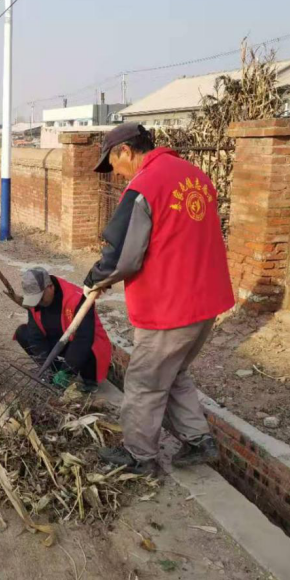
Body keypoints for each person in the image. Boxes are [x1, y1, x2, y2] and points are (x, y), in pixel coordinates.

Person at [84, 123, 235, 474]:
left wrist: (97, 277)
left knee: (144, 382)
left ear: (125, 151)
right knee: (174, 371)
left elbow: (123, 253)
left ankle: (140, 456)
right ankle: (199, 440)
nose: (118, 175)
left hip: (171, 305)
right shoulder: (193, 175)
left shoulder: (145, 185)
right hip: (206, 301)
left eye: (114, 164)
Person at [15, 267, 112, 392]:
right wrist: (46, 367)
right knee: (23, 333)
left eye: (40, 297)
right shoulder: (35, 303)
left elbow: (83, 339)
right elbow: (36, 337)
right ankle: (53, 372)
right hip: (58, 344)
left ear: (50, 287)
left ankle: (88, 381)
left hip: (81, 346)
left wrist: (67, 371)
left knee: (89, 347)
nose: (38, 303)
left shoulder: (76, 298)